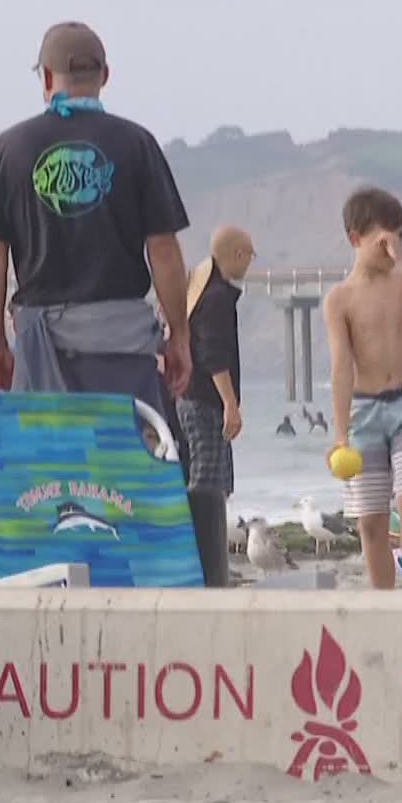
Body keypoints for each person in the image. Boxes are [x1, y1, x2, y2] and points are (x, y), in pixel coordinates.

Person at [0, 22, 192, 422]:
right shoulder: (137, 143)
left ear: (48, 77)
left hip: (41, 351)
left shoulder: (8, 149)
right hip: (123, 348)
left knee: (49, 473)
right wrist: (180, 336)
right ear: (104, 76)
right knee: (126, 467)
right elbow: (163, 250)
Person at [324, 186, 402, 590]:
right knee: (371, 519)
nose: (392, 246)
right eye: (384, 240)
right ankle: (383, 599)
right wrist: (340, 433)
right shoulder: (339, 299)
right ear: (355, 239)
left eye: (400, 236)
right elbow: (341, 366)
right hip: (365, 409)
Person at [178, 225, 256, 586]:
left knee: (215, 482)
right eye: (250, 254)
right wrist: (230, 404)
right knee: (207, 485)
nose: (251, 262)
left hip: (193, 400)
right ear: (237, 255)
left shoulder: (203, 292)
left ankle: (209, 562)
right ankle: (204, 566)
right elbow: (213, 355)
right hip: (204, 401)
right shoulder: (216, 297)